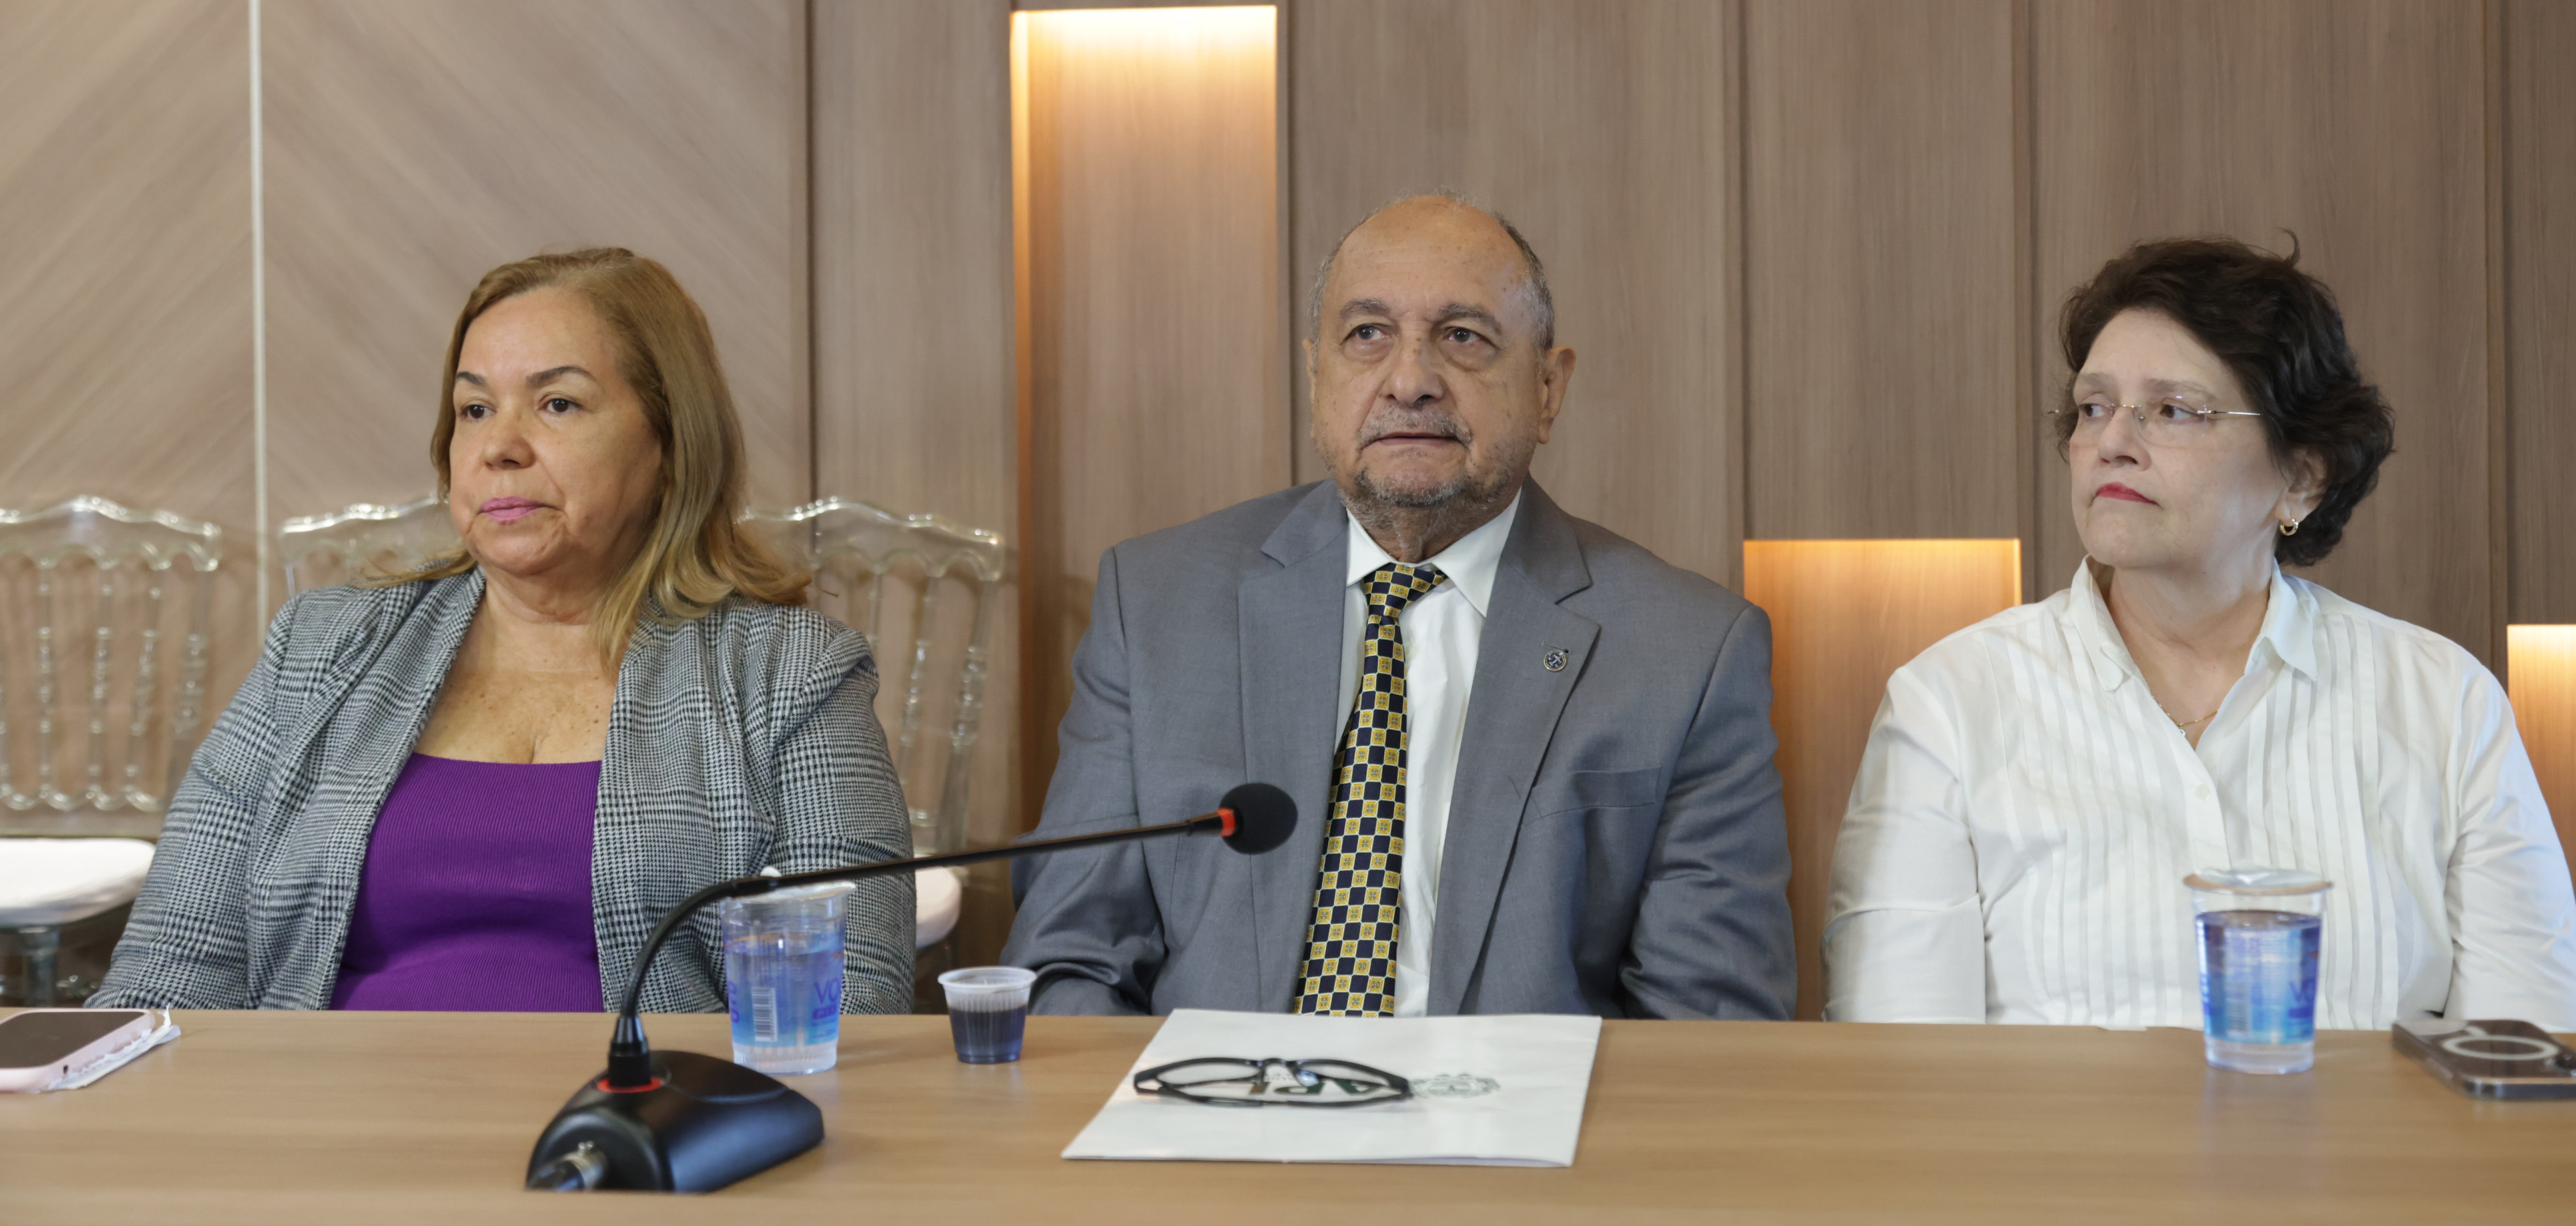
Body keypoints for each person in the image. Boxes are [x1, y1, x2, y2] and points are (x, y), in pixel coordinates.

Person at [1001, 193, 1791, 1019]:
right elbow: (1069, 962)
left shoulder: (1688, 652)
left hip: (1515, 1102)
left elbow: (1709, 1028)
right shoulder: (1155, 605)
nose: (1410, 382)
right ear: (1317, 376)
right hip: (1212, 1096)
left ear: (1547, 387)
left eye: (1463, 337)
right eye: (1367, 334)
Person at [97, 249, 913, 1012]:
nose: (498, 447)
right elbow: (172, 969)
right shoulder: (320, 650)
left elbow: (853, 1000)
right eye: (475, 408)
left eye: (558, 404)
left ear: (669, 443)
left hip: (641, 1114)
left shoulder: (789, 675)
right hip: (329, 1111)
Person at [1824, 237, 2576, 1030]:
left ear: (2302, 475)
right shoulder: (1950, 705)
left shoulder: (2443, 704)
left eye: (2172, 411)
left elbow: (2535, 1059)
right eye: (2093, 407)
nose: (2111, 443)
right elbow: (1901, 1070)